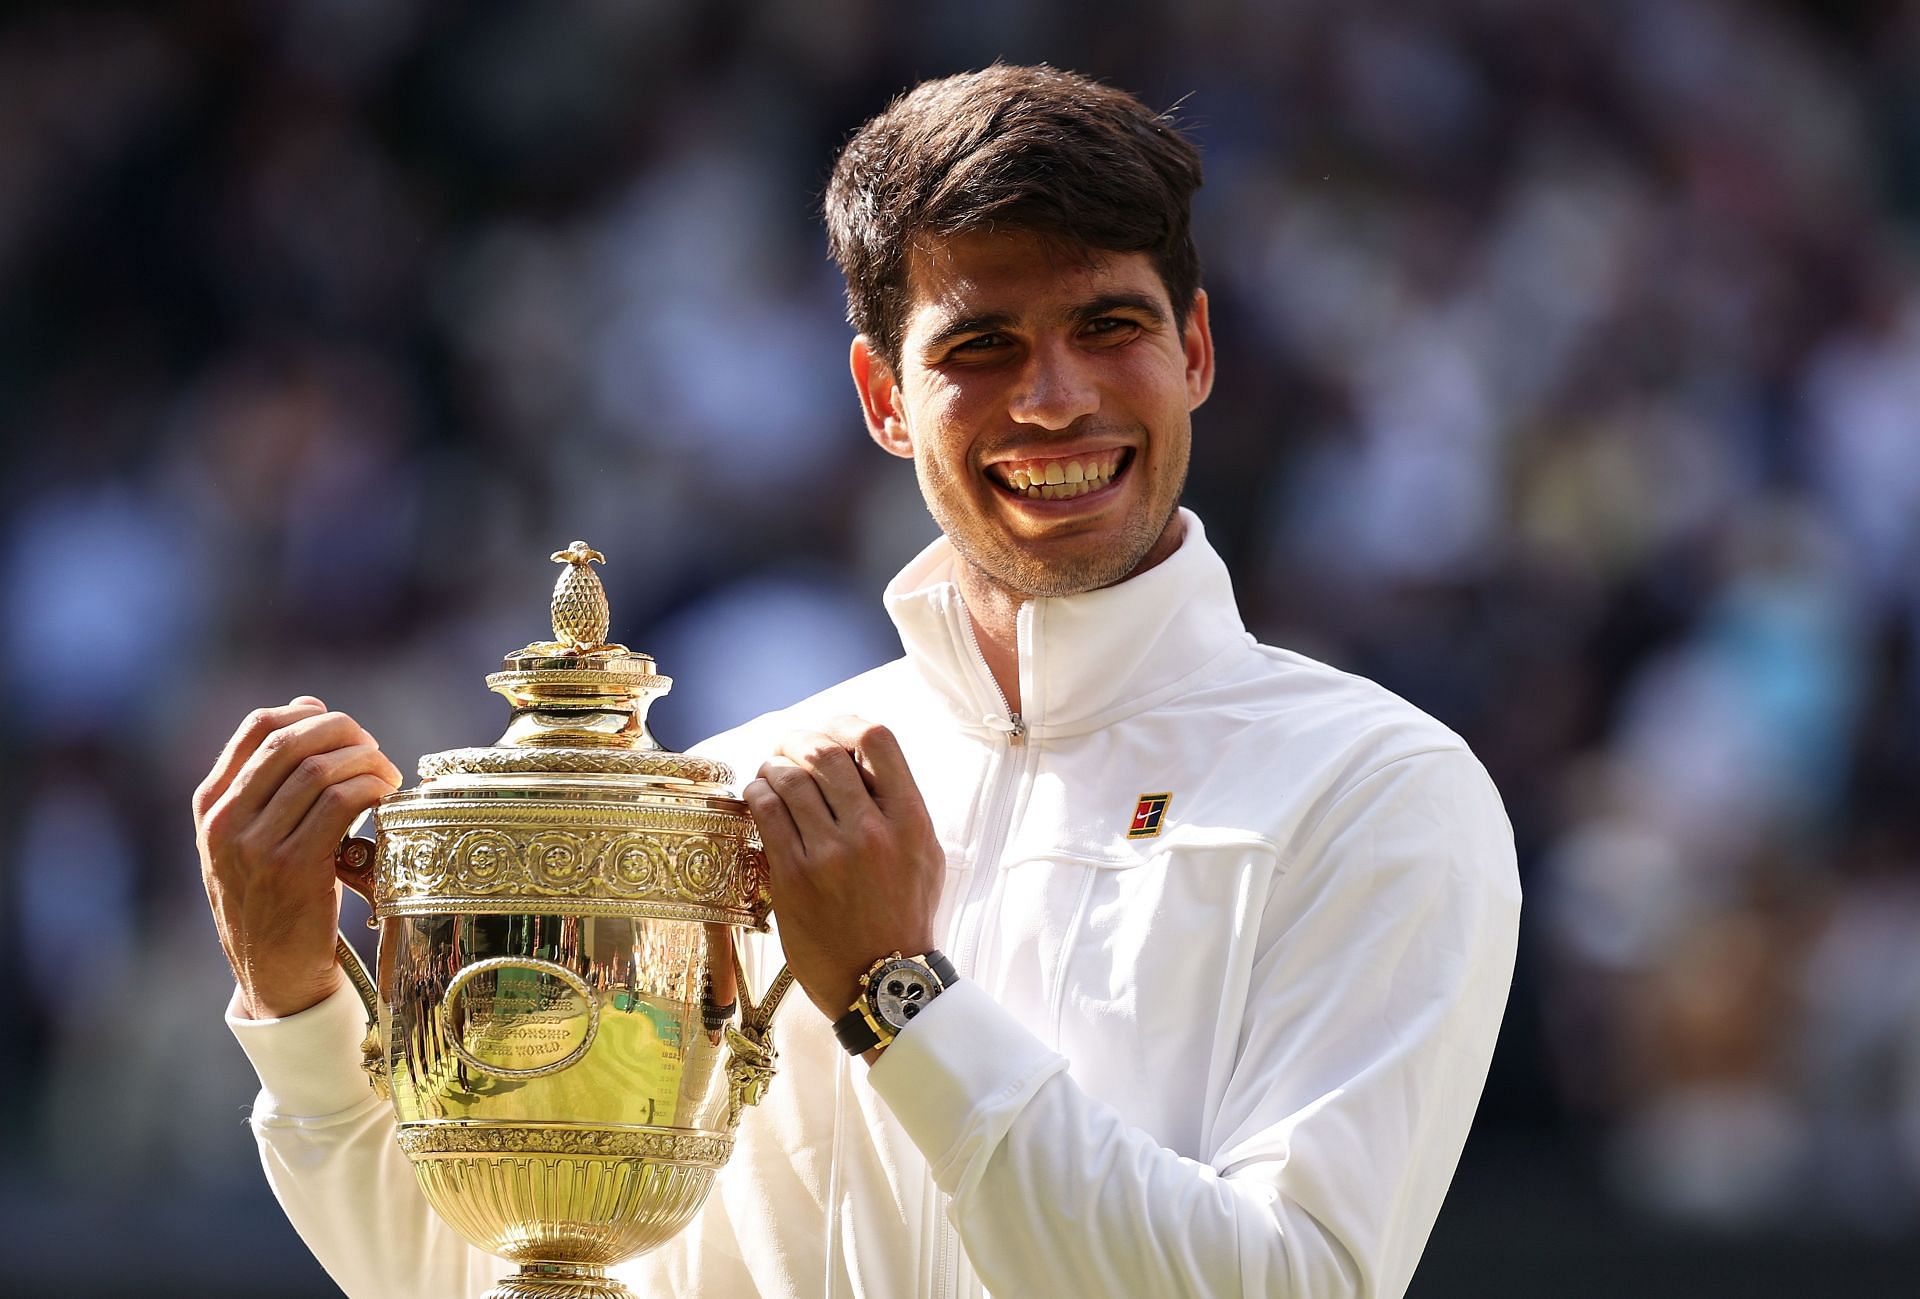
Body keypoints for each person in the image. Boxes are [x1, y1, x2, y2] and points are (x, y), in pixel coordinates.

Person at [195, 63, 1520, 1299]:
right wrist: (298, 997)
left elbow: (1293, 1283)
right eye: (981, 347)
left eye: (1108, 325)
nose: (1056, 400)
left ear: (1198, 352)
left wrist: (898, 997)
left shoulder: (1373, 787)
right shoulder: (728, 799)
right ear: (882, 396)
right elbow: (511, 1270)